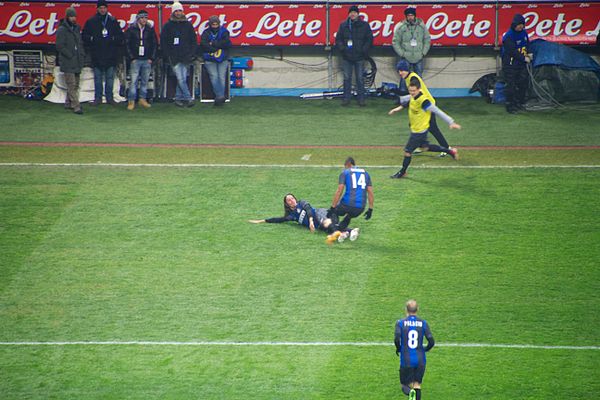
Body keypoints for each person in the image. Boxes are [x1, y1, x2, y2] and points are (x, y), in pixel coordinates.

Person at [388, 78, 460, 179]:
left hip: (418, 132)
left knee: (407, 152)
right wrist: (396, 109)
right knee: (425, 148)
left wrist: (450, 122)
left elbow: (437, 111)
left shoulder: (423, 101)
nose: (412, 93)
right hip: (418, 130)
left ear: (419, 89)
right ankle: (450, 151)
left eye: (413, 91)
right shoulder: (413, 96)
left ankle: (402, 172)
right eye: (410, 91)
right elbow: (407, 103)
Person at [249, 193, 360, 243]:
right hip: (318, 225)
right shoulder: (291, 216)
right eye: (289, 200)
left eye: (292, 198)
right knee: (328, 228)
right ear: (287, 204)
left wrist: (311, 220)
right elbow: (278, 219)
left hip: (319, 213)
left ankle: (344, 233)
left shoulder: (301, 203)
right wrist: (261, 221)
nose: (291, 200)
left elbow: (308, 208)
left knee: (327, 224)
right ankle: (349, 231)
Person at [396, 60, 452, 157]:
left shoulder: (413, 78)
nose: (400, 73)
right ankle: (421, 145)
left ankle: (446, 148)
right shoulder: (408, 77)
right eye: (399, 71)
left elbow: (417, 94)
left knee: (433, 128)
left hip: (426, 105)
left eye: (402, 70)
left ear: (406, 70)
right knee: (415, 124)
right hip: (421, 105)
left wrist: (403, 101)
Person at [82, 0, 124, 106]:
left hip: (110, 55)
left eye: (104, 8)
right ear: (97, 9)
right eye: (100, 8)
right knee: (98, 78)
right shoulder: (91, 21)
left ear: (107, 8)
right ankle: (98, 98)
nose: (102, 10)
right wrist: (92, 39)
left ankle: (110, 98)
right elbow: (84, 36)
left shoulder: (112, 21)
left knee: (110, 78)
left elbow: (120, 36)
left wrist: (113, 39)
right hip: (97, 54)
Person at [326, 157, 373, 244]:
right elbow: (370, 192)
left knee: (335, 212)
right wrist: (370, 209)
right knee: (349, 216)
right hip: (360, 208)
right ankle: (345, 232)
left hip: (347, 204)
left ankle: (335, 232)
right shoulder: (366, 173)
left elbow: (339, 190)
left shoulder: (346, 172)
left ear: (348, 164)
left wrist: (332, 208)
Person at [394, 299, 435, 400]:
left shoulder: (400, 323)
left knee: (404, 385)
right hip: (420, 359)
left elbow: (396, 338)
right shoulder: (423, 323)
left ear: (406, 310)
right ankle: (415, 394)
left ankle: (410, 392)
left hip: (406, 359)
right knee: (417, 384)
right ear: (418, 309)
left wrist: (398, 348)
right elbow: (431, 341)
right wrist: (425, 349)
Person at [161, 2, 197, 107]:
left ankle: (178, 98)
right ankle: (188, 98)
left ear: (183, 11)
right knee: (181, 78)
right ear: (173, 12)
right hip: (173, 57)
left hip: (185, 56)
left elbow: (193, 40)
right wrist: (167, 55)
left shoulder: (188, 25)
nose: (178, 13)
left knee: (182, 78)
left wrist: (191, 54)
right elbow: (164, 41)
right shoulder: (167, 26)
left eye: (180, 10)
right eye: (176, 11)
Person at [335, 5, 373, 107]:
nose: (352, 14)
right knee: (347, 78)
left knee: (360, 78)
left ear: (358, 14)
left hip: (359, 57)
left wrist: (363, 50)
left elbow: (369, 39)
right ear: (349, 14)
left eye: (354, 12)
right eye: (351, 12)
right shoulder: (343, 25)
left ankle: (361, 99)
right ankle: (346, 99)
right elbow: (338, 39)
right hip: (347, 57)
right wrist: (343, 49)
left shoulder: (364, 25)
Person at [392, 7, 431, 95]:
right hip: (406, 57)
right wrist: (402, 53)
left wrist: (423, 52)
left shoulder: (422, 26)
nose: (410, 17)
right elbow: (395, 42)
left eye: (412, 15)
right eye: (408, 16)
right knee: (403, 77)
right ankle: (402, 96)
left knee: (418, 77)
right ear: (406, 17)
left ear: (415, 16)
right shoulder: (401, 27)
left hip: (418, 56)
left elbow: (427, 39)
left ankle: (419, 95)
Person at [124, 9, 158, 111]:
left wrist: (151, 58)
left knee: (145, 81)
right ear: (138, 18)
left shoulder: (150, 29)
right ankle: (131, 100)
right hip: (136, 59)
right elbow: (126, 44)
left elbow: (154, 44)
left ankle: (142, 99)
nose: (144, 20)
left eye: (146, 18)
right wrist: (132, 58)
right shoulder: (131, 29)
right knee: (133, 81)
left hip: (146, 59)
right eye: (142, 18)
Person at [55, 7, 85, 115]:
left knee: (75, 85)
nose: (73, 18)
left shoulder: (77, 28)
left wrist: (81, 55)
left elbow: (80, 44)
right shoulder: (62, 30)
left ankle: (68, 102)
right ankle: (76, 106)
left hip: (77, 61)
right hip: (68, 61)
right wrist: (70, 55)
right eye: (71, 16)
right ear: (67, 17)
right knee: (71, 84)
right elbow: (59, 46)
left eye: (75, 16)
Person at [501, 14, 532, 114]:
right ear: (514, 24)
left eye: (522, 25)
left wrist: (529, 54)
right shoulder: (508, 36)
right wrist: (524, 58)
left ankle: (519, 103)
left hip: (521, 65)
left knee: (522, 83)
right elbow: (512, 51)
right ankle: (510, 106)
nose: (520, 27)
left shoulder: (524, 33)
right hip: (510, 65)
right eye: (519, 25)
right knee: (511, 85)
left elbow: (527, 44)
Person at [201, 15, 232, 106]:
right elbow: (204, 44)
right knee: (214, 76)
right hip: (210, 58)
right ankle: (220, 96)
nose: (214, 26)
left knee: (222, 77)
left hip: (223, 58)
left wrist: (213, 43)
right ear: (210, 24)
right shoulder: (206, 32)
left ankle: (220, 97)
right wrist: (216, 48)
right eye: (213, 24)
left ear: (219, 24)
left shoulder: (224, 32)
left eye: (216, 24)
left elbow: (226, 43)